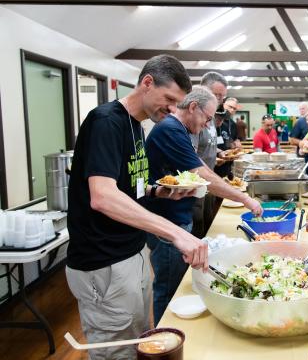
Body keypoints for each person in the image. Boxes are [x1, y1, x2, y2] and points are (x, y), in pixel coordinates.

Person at [65, 55, 208, 360]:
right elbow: (102, 196)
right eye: (169, 98)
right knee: (116, 350)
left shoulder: (137, 126)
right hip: (103, 261)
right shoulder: (106, 122)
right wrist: (174, 233)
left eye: (177, 103)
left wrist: (162, 191)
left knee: (140, 339)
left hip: (133, 251)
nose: (171, 109)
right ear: (146, 83)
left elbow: (131, 187)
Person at [145, 86, 262, 325]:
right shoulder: (170, 129)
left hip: (177, 218)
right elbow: (202, 175)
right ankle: (166, 338)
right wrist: (245, 199)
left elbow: (202, 167)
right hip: (168, 223)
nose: (208, 124)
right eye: (207, 118)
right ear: (192, 107)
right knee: (169, 289)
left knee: (175, 285)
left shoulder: (179, 130)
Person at [190, 72, 227, 238]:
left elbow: (210, 142)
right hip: (196, 183)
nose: (219, 99)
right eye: (216, 94)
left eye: (222, 96)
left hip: (209, 180)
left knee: (208, 224)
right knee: (198, 227)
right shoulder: (196, 117)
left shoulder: (210, 117)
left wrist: (219, 153)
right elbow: (191, 154)